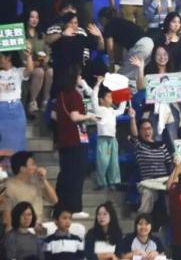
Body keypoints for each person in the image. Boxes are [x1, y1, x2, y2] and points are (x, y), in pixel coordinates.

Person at [54, 65, 97, 218]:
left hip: (64, 141)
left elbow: (55, 116)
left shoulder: (61, 95)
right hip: (76, 140)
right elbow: (74, 116)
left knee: (65, 175)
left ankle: (60, 207)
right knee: (77, 175)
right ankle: (75, 208)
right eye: (79, 76)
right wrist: (89, 116)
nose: (81, 79)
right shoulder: (74, 95)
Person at [128, 112, 174, 214]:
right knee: (148, 194)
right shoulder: (139, 146)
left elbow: (169, 163)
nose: (147, 131)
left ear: (152, 130)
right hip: (148, 183)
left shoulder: (161, 145)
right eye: (143, 129)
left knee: (173, 193)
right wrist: (132, 117)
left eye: (149, 128)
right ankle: (142, 219)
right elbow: (134, 135)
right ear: (139, 131)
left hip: (164, 181)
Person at [98, 7, 154, 84]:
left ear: (103, 19)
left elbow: (110, 48)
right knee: (135, 74)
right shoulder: (124, 22)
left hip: (140, 47)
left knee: (123, 76)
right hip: (149, 43)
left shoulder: (109, 25)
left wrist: (111, 64)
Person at [1, 151, 58, 228]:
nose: (36, 167)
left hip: (38, 228)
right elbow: (6, 216)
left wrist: (44, 180)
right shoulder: (8, 186)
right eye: (32, 164)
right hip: (19, 229)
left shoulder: (38, 181)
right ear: (22, 168)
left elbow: (54, 200)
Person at [92, 79, 128, 189]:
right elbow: (93, 98)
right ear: (101, 100)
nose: (111, 99)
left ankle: (114, 182)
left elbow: (121, 110)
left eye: (112, 97)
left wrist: (124, 94)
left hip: (113, 138)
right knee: (103, 161)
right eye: (108, 97)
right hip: (103, 138)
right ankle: (101, 182)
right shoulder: (98, 109)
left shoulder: (113, 111)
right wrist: (98, 84)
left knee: (114, 162)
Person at [0, 47, 34, 152]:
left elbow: (30, 70)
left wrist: (28, 55)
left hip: (16, 109)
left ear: (8, 57)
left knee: (17, 143)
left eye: (1, 57)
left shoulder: (17, 71)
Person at [24, 9, 53, 116]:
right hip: (28, 65)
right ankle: (32, 102)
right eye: (32, 17)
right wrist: (35, 62)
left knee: (50, 72)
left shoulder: (41, 35)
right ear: (27, 18)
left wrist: (47, 58)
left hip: (42, 64)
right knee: (39, 72)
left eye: (36, 17)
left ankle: (45, 101)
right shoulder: (22, 34)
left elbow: (48, 51)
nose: (34, 20)